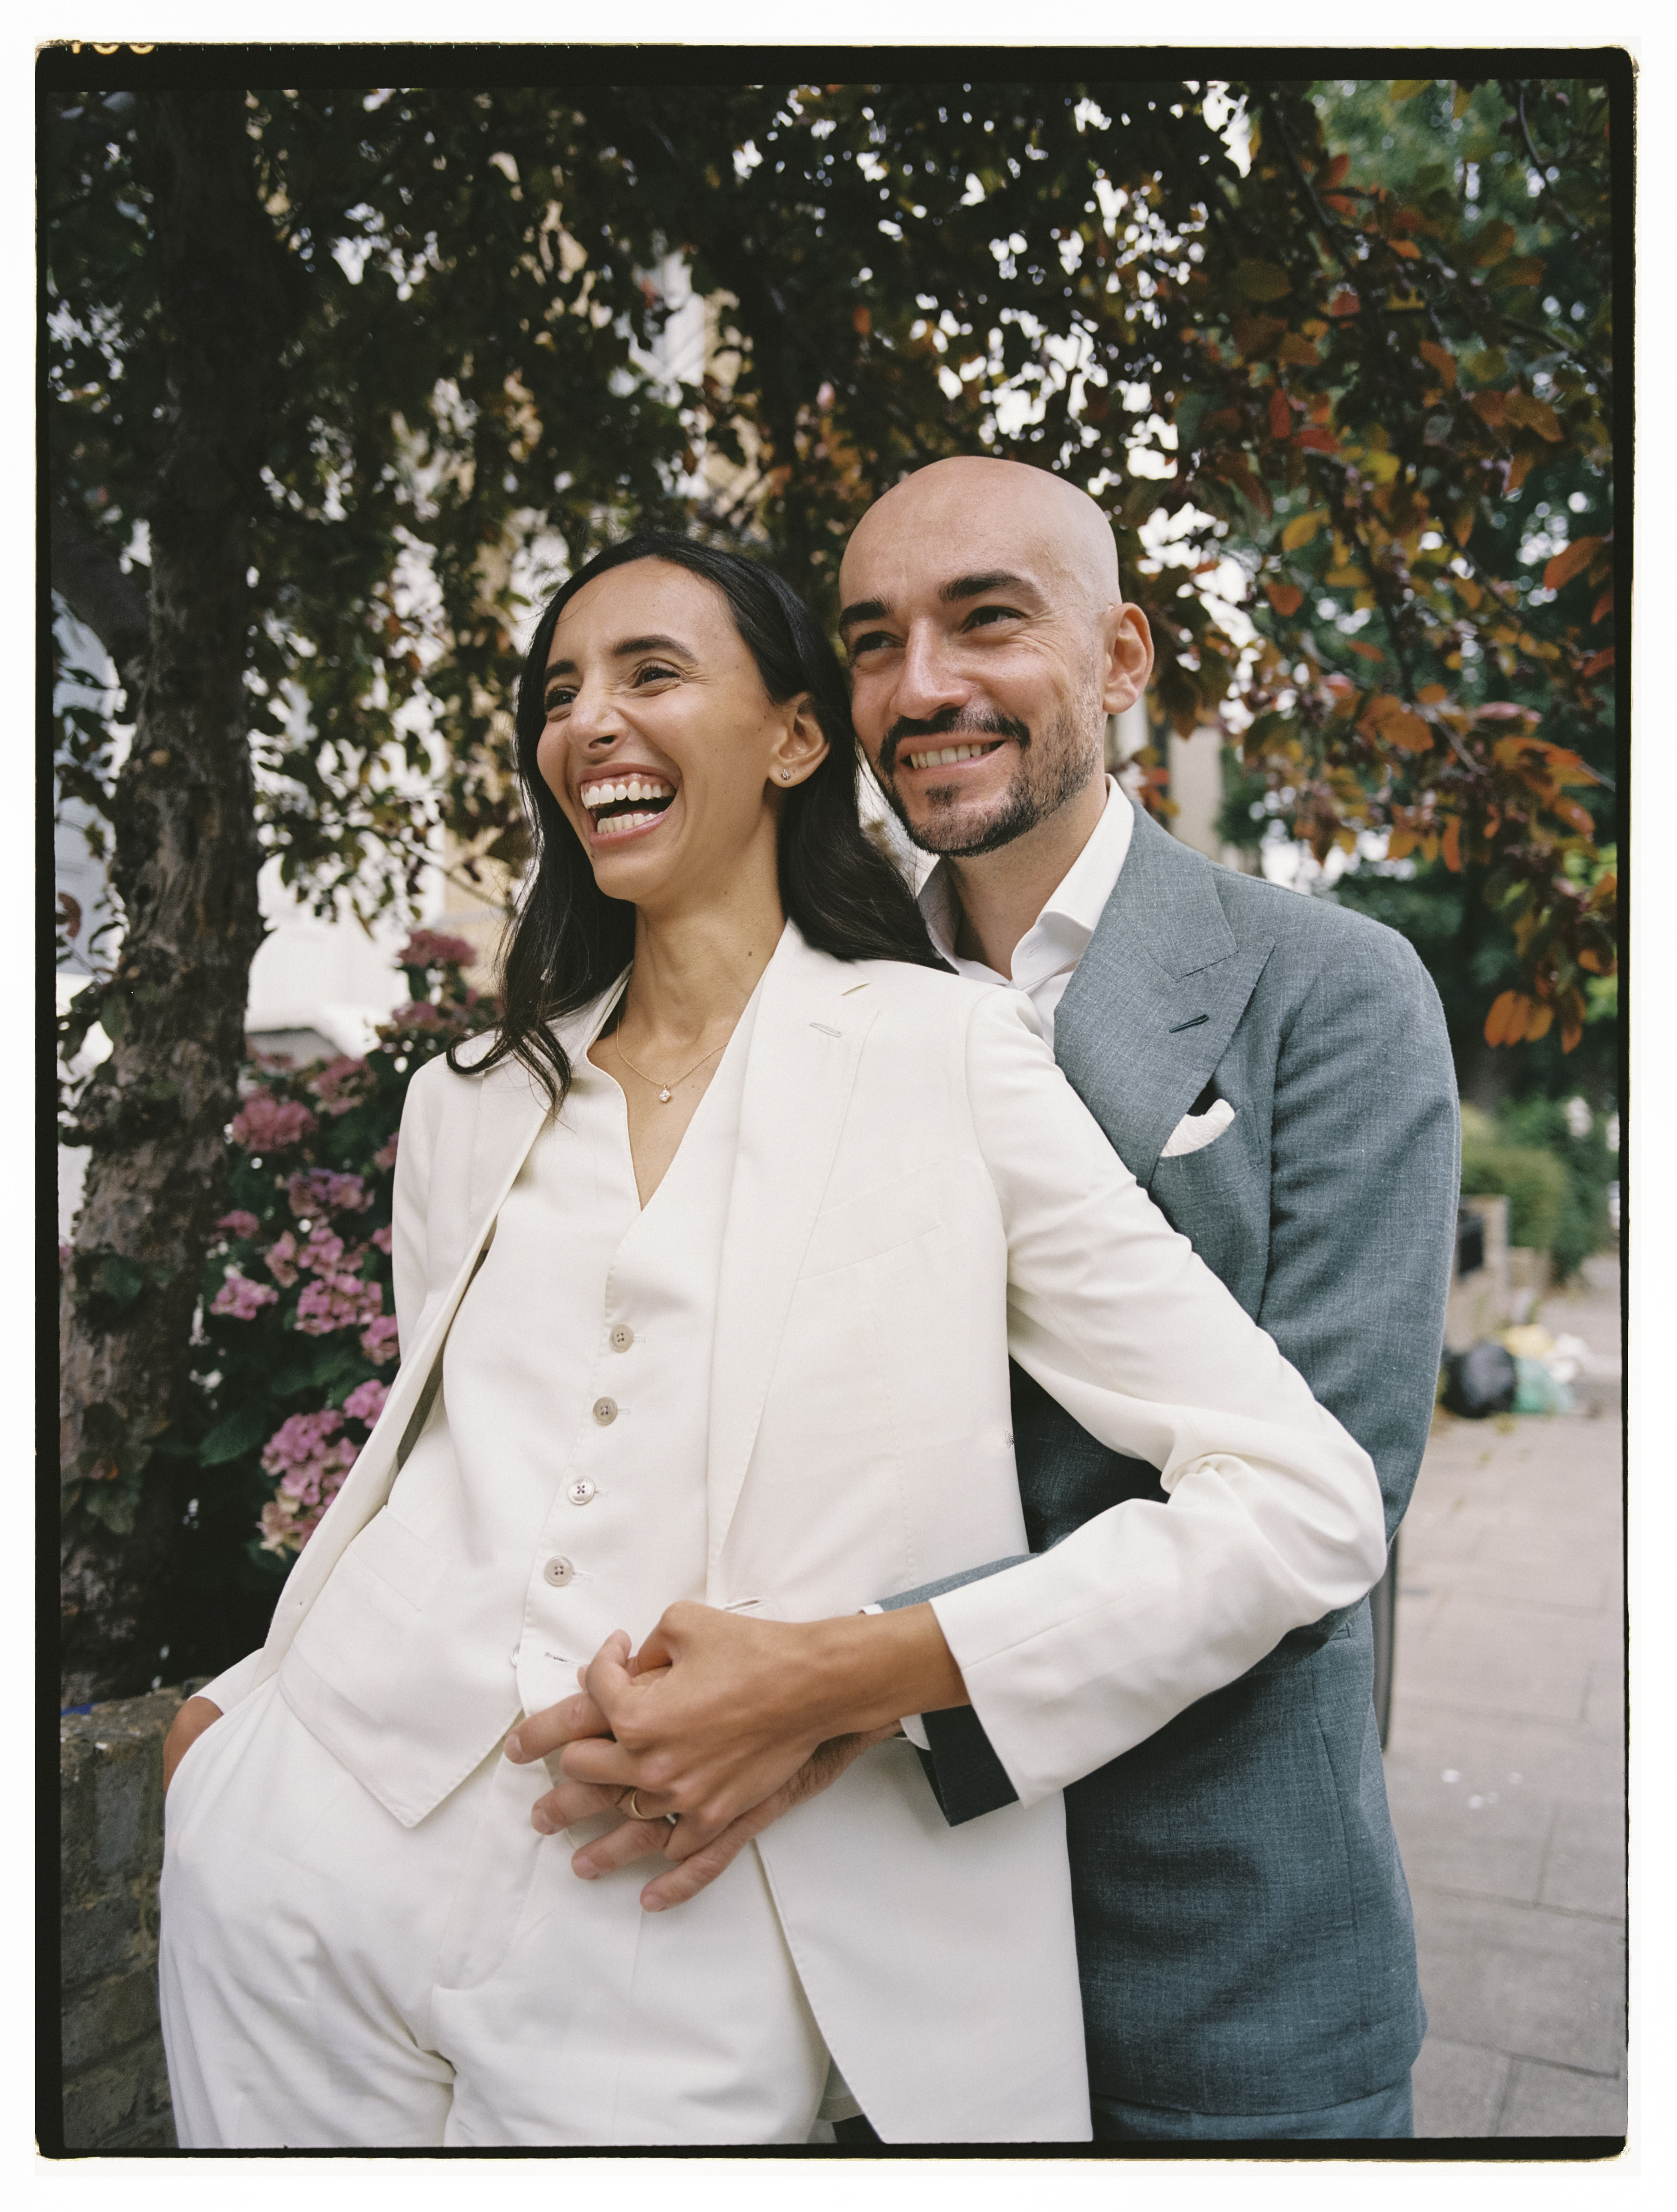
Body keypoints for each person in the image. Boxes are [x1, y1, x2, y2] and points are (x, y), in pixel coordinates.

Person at [157, 528, 1388, 2149]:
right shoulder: (468, 1098)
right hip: (308, 1862)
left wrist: (846, 1675)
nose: (587, 720)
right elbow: (449, 1466)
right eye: (557, 691)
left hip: (687, 1923)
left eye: (652, 672)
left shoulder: (950, 1050)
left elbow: (1305, 1497)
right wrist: (237, 1724)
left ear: (796, 738)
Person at [532, 464, 1459, 2145]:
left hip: (1206, 1953)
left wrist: (833, 1681)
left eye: (988, 620)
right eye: (877, 641)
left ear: (1119, 658)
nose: (926, 685)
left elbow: (1333, 1498)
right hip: (854, 1939)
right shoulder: (811, 996)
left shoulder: (1332, 988)